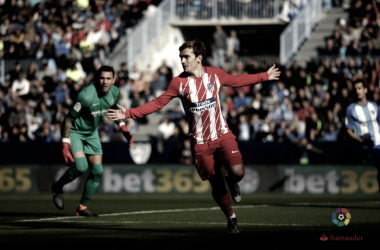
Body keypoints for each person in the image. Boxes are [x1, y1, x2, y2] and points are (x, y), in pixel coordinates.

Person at [107, 40, 280, 233]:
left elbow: (238, 81)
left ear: (199, 58)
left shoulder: (215, 74)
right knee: (216, 184)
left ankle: (233, 182)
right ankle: (231, 217)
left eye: (186, 56)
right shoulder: (178, 83)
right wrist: (129, 113)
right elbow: (157, 103)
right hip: (200, 143)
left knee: (238, 172)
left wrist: (265, 76)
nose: (182, 61)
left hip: (222, 135)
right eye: (180, 57)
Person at [51, 66, 133, 216]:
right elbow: (68, 120)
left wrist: (123, 127)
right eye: (102, 78)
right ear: (97, 78)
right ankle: (57, 187)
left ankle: (82, 208)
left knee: (97, 171)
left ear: (113, 80)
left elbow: (113, 110)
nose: (105, 81)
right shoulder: (86, 96)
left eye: (108, 78)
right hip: (75, 132)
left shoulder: (115, 92)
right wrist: (64, 145)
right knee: (81, 167)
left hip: (92, 133)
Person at [346, 79, 380, 200]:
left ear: (365, 90)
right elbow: (348, 131)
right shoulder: (351, 109)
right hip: (366, 148)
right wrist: (361, 141)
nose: (357, 91)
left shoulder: (374, 106)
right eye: (355, 89)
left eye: (360, 88)